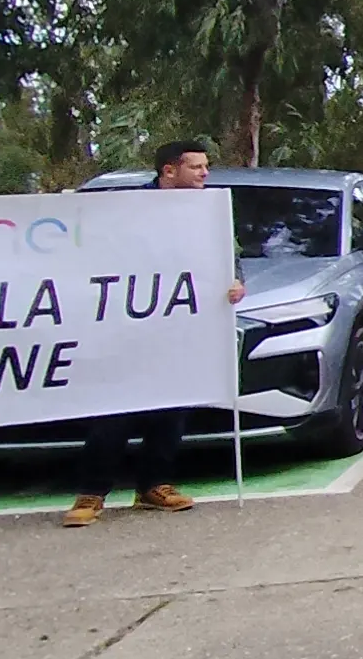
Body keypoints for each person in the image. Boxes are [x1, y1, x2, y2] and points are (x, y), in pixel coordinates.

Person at [64, 139, 250, 528]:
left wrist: (235, 282)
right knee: (115, 412)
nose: (205, 174)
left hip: (180, 330)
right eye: (196, 167)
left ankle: (154, 486)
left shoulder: (209, 212)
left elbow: (230, 257)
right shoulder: (128, 210)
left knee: (171, 411)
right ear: (169, 170)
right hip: (126, 331)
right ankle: (91, 494)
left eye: (205, 167)